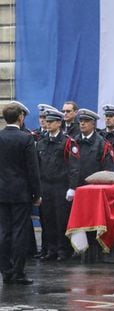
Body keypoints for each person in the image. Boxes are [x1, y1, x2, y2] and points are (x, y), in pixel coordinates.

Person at [0, 102, 41, 285]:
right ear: (21, 117)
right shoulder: (26, 139)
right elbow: (33, 169)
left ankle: (6, 270)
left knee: (3, 231)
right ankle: (18, 272)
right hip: (20, 193)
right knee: (19, 232)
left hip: (1, 192)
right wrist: (36, 193)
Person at [36, 110, 80, 261]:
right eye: (46, 122)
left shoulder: (68, 142)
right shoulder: (42, 142)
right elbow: (38, 166)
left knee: (61, 219)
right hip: (46, 185)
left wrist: (72, 187)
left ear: (59, 123)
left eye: (51, 122)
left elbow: (73, 167)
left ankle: (63, 250)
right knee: (47, 219)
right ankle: (51, 249)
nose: (47, 124)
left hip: (61, 186)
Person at [74, 109, 114, 186]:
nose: (82, 123)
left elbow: (108, 171)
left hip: (94, 186)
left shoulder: (102, 144)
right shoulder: (74, 141)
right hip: (75, 185)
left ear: (93, 124)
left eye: (86, 121)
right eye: (81, 120)